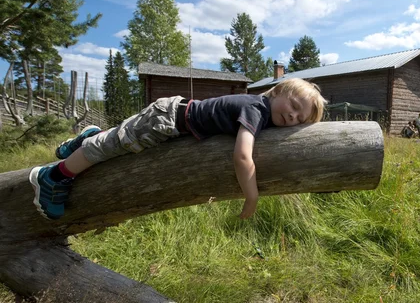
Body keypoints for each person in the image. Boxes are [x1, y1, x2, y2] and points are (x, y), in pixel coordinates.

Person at [29, 78, 327, 221]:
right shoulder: (255, 109)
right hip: (168, 120)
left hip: (174, 115)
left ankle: (85, 138)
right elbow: (242, 156)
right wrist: (251, 197)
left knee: (116, 138)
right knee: (114, 147)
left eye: (300, 119)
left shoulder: (261, 109)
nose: (293, 116)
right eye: (294, 106)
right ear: (277, 92)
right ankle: (54, 177)